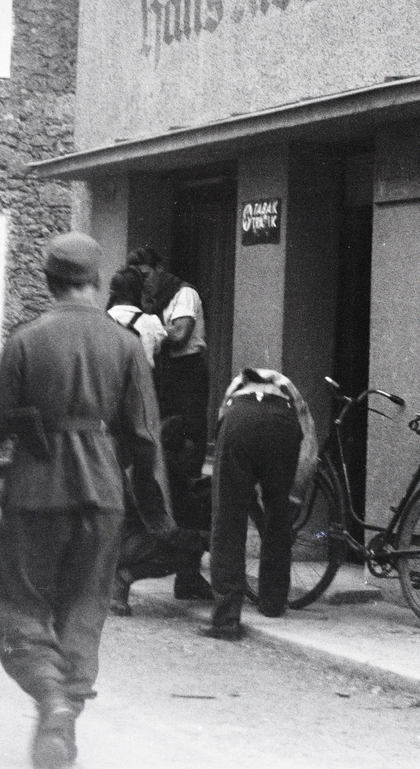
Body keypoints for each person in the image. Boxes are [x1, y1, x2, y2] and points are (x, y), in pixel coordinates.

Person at [0, 233, 172, 769]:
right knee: (85, 607)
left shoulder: (26, 339)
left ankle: (52, 700)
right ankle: (63, 718)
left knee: (16, 600)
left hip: (35, 491)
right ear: (96, 280)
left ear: (48, 279)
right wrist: (155, 513)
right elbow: (145, 435)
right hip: (103, 493)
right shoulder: (126, 343)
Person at [202, 368, 318, 640]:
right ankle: (273, 603)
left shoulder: (234, 389)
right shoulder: (291, 391)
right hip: (282, 425)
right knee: (279, 518)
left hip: (238, 421)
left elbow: (221, 425)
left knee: (228, 523)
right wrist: (296, 494)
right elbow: (309, 446)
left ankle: (226, 620)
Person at [130, 247, 214, 600]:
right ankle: (179, 564)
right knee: (164, 472)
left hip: (187, 379)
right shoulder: (149, 301)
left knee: (187, 470)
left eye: (146, 271)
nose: (143, 279)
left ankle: (188, 574)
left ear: (160, 269)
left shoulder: (183, 293)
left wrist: (150, 328)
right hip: (166, 379)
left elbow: (179, 335)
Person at [105, 267, 165, 368]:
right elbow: (156, 350)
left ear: (112, 292)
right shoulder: (152, 322)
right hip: (143, 380)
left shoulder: (104, 320)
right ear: (140, 292)